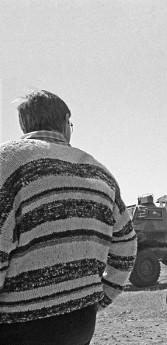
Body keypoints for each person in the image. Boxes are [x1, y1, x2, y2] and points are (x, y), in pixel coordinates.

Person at [0, 90, 137, 345]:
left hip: (18, 325)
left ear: (23, 123)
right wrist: (100, 298)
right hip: (80, 323)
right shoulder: (98, 171)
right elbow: (126, 248)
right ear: (65, 123)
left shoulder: (7, 163)